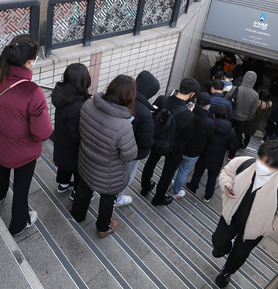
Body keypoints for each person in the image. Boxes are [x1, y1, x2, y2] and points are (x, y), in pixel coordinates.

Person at [0, 34, 53, 235]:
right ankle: (19, 223)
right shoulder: (33, 92)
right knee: (22, 188)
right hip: (23, 151)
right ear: (29, 62)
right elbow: (42, 132)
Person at [212, 141, 278, 288]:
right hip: (231, 217)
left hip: (254, 231)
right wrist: (226, 185)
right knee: (217, 243)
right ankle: (226, 246)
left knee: (238, 255)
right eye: (261, 159)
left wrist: (267, 228)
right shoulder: (243, 163)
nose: (262, 165)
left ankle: (227, 272)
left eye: (268, 164)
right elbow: (227, 173)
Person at [69, 75, 138, 238]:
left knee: (84, 188)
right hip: (109, 172)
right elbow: (130, 155)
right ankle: (103, 227)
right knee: (108, 199)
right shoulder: (123, 125)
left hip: (86, 160)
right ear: (129, 96)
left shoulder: (88, 105)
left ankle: (78, 215)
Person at [140, 78, 199, 206]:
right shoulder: (189, 115)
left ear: (179, 86)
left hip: (156, 140)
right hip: (175, 147)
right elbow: (188, 136)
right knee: (167, 172)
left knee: (151, 162)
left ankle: (145, 186)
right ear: (192, 94)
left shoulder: (162, 99)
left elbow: (152, 115)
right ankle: (158, 198)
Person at [115, 70, 159, 208]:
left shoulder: (122, 96)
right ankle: (118, 198)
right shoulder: (145, 112)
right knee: (126, 175)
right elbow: (146, 141)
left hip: (113, 143)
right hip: (132, 151)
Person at [51, 63, 91, 198]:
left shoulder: (62, 96)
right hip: (73, 150)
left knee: (64, 166)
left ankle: (63, 185)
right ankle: (76, 193)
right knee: (78, 170)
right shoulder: (78, 106)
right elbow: (76, 135)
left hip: (61, 141)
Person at [187, 105, 238, 202]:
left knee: (198, 171)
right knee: (212, 177)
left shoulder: (209, 124)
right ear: (226, 116)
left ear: (214, 115)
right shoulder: (231, 131)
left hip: (204, 152)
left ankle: (192, 187)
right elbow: (232, 146)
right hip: (217, 157)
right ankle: (208, 196)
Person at [172, 93, 214, 198]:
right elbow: (209, 138)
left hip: (180, 147)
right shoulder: (209, 123)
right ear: (208, 106)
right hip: (193, 152)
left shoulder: (188, 114)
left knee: (172, 167)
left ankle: (167, 183)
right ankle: (176, 191)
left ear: (195, 101)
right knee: (183, 172)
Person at [226, 71, 259, 156]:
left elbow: (226, 99)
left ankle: (223, 147)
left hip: (232, 115)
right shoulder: (255, 95)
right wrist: (248, 119)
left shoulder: (236, 88)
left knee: (226, 132)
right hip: (243, 119)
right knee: (238, 136)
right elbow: (253, 110)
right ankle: (231, 154)